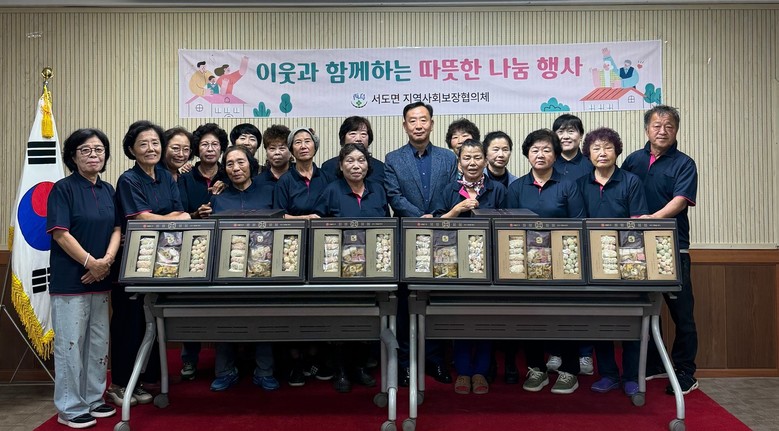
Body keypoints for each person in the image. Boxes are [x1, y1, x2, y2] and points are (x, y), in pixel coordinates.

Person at [109, 121, 190, 407]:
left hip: (164, 260)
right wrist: (171, 219)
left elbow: (182, 212)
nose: (151, 148)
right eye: (143, 144)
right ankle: (120, 383)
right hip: (133, 262)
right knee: (128, 324)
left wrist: (169, 218)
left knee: (152, 322)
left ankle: (146, 379)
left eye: (155, 143)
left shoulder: (166, 177)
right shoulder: (128, 180)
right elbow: (140, 218)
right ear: (131, 150)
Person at [46, 129, 121, 429]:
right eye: (86, 150)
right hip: (70, 281)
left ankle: (93, 398)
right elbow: (60, 234)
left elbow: (117, 228)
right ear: (72, 156)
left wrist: (106, 263)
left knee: (98, 343)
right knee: (70, 346)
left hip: (101, 280)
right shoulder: (63, 189)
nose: (94, 155)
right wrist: (92, 263)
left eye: (99, 149)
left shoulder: (108, 190)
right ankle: (69, 407)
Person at [622, 105, 699, 395]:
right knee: (643, 308)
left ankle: (685, 371)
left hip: (673, 247)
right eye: (656, 125)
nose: (662, 131)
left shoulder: (684, 163)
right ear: (647, 129)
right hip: (636, 248)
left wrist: (651, 221)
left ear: (676, 130)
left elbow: (680, 200)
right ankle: (654, 364)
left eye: (669, 126)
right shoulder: (633, 160)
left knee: (682, 313)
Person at [506, 129, 585, 395]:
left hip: (563, 264)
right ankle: (536, 368)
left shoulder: (568, 185)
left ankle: (569, 370)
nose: (540, 155)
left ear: (555, 154)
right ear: (527, 154)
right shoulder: (517, 188)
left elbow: (578, 225)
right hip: (526, 266)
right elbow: (508, 228)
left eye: (546, 150)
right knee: (531, 316)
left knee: (566, 316)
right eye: (535, 150)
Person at [384, 101, 457, 387]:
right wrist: (419, 218)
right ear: (404, 125)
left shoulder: (448, 158)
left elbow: (452, 191)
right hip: (407, 239)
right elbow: (394, 196)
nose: (418, 125)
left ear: (432, 123)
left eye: (423, 119)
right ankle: (404, 364)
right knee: (405, 303)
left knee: (435, 300)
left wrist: (435, 217)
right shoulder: (393, 159)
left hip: (441, 237)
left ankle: (435, 360)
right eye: (412, 120)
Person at [576, 127, 648, 397]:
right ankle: (608, 374)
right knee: (599, 320)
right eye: (596, 148)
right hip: (593, 263)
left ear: (617, 151)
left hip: (627, 262)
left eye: (608, 147)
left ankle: (631, 377)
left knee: (631, 321)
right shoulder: (580, 184)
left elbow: (638, 224)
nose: (602, 153)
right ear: (588, 154)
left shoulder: (631, 181)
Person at [431, 139, 507, 395]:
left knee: (485, 317)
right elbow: (436, 225)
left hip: (490, 264)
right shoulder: (448, 190)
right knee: (460, 317)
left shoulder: (497, 189)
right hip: (456, 264)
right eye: (467, 158)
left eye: (477, 157)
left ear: (485, 161)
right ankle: (463, 370)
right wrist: (457, 209)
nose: (472, 163)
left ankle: (481, 371)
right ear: (459, 163)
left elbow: (509, 225)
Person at [313, 143, 389, 393]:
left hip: (372, 268)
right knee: (341, 318)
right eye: (350, 161)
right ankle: (341, 370)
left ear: (368, 164)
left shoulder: (377, 190)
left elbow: (386, 226)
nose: (356, 166)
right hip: (339, 269)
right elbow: (318, 227)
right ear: (341, 165)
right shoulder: (332, 190)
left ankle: (360, 367)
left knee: (367, 318)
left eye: (361, 160)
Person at [208, 146, 279, 392]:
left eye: (241, 162)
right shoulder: (218, 197)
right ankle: (225, 371)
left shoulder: (269, 192)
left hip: (263, 269)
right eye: (229, 164)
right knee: (224, 318)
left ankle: (265, 370)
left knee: (264, 317)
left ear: (251, 164)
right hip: (227, 270)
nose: (236, 168)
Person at [273, 127, 333, 385]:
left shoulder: (327, 177)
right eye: (297, 142)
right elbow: (278, 216)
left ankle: (316, 355)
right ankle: (295, 360)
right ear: (291, 150)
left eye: (308, 141)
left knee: (321, 304)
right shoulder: (285, 181)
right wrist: (305, 219)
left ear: (315, 146)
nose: (303, 145)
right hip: (292, 250)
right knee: (294, 304)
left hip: (323, 249)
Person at [175, 123, 229, 380]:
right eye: (205, 144)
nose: (210, 149)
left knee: (224, 306)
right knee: (192, 304)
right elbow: (178, 211)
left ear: (221, 148)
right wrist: (196, 214)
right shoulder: (185, 177)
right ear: (197, 148)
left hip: (225, 248)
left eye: (215, 144)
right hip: (193, 247)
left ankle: (226, 360)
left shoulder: (229, 174)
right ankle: (189, 358)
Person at [320, 116, 385, 184]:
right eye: (353, 134)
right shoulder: (328, 166)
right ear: (343, 138)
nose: (358, 139)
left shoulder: (380, 167)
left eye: (363, 134)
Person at [552, 114, 593, 181]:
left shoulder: (591, 165)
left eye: (571, 131)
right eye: (560, 132)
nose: (566, 137)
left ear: (581, 135)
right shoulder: (548, 164)